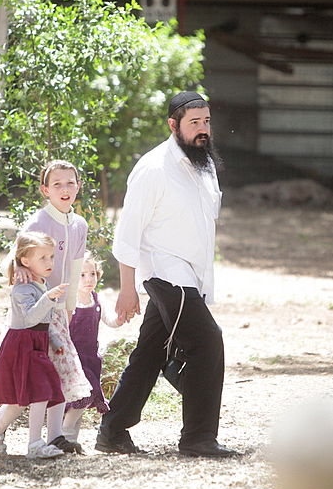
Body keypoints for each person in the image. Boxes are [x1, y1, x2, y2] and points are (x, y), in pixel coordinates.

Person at [96, 91, 238, 457]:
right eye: (194, 123)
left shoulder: (204, 164)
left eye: (207, 121)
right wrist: (127, 288)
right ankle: (198, 439)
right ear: (173, 125)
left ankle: (112, 431)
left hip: (190, 275)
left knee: (150, 352)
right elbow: (127, 234)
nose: (203, 129)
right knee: (207, 341)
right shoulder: (153, 168)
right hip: (165, 273)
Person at [0, 160, 92, 454]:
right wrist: (18, 269)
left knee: (59, 372)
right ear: (45, 190)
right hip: (34, 311)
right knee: (31, 375)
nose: (65, 189)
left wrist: (70, 306)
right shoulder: (37, 222)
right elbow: (16, 257)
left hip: (59, 311)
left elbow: (75, 266)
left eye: (70, 183)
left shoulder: (79, 224)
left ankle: (55, 436)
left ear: (78, 186)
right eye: (57, 184)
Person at [0, 231, 70, 459]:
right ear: (25, 261)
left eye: (51, 256)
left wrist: (54, 340)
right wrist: (48, 298)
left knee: (36, 393)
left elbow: (44, 321)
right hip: (21, 347)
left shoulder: (42, 283)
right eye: (43, 258)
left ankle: (1, 432)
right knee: (23, 398)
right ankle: (30, 442)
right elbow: (30, 318)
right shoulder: (22, 288)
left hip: (37, 344)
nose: (49, 262)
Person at [62, 252, 122, 447]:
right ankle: (64, 434)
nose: (88, 279)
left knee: (81, 399)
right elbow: (62, 329)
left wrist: (120, 319)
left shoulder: (96, 299)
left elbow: (110, 320)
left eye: (92, 274)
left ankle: (71, 441)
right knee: (82, 396)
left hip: (90, 358)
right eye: (82, 275)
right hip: (73, 359)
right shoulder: (70, 302)